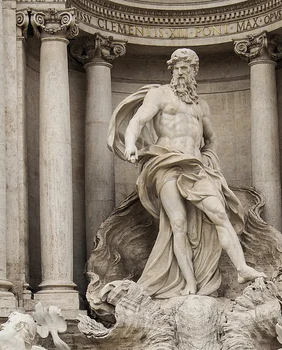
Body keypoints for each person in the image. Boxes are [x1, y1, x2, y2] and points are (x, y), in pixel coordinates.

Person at [108, 48, 263, 298]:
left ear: (194, 71)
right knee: (177, 223)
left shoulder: (201, 106)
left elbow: (211, 139)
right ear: (172, 70)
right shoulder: (160, 95)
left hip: (195, 167)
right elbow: (137, 121)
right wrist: (129, 145)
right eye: (177, 67)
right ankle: (189, 283)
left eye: (186, 67)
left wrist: (209, 159)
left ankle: (242, 268)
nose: (181, 72)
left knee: (219, 213)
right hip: (166, 163)